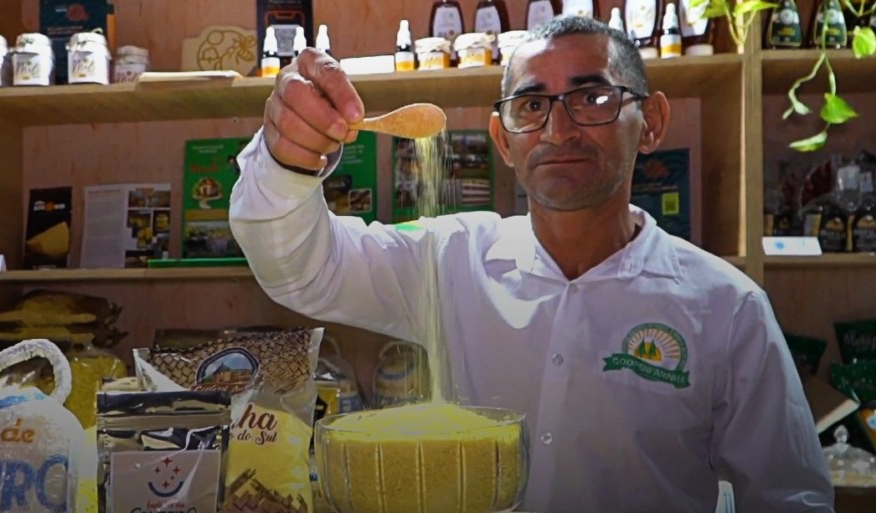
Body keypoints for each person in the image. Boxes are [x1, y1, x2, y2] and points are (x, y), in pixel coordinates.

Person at [228, 15, 834, 513]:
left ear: (649, 123)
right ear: (503, 139)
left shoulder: (726, 306)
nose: (559, 128)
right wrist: (288, 161)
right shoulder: (450, 259)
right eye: (532, 104)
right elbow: (300, 269)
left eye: (592, 97)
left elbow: (791, 497)